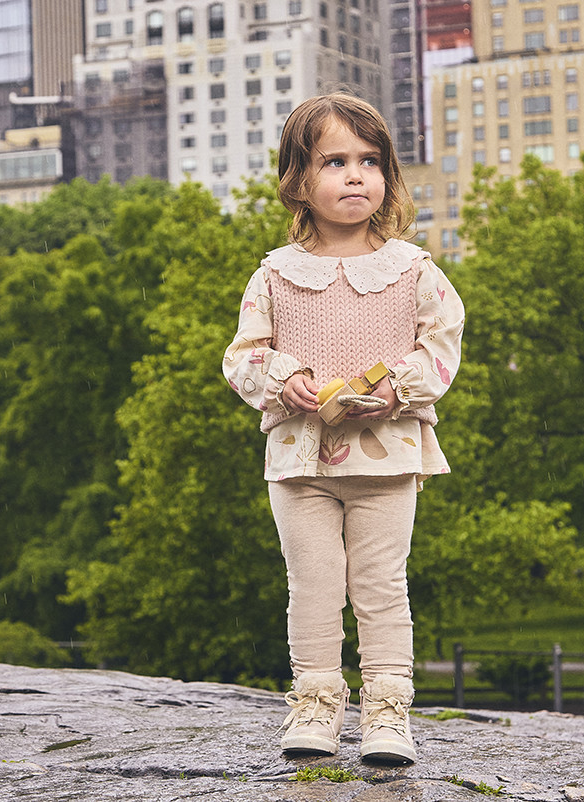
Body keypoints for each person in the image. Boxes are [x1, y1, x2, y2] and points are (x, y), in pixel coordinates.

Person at [222, 93, 464, 764]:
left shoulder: (415, 271)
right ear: (298, 180)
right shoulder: (274, 275)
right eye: (334, 161)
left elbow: (442, 348)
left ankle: (387, 713)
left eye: (369, 161)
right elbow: (240, 357)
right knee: (314, 580)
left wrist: (398, 387)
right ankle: (317, 705)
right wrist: (282, 379)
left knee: (383, 583)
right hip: (300, 460)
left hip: (386, 459)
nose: (355, 175)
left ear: (387, 173)